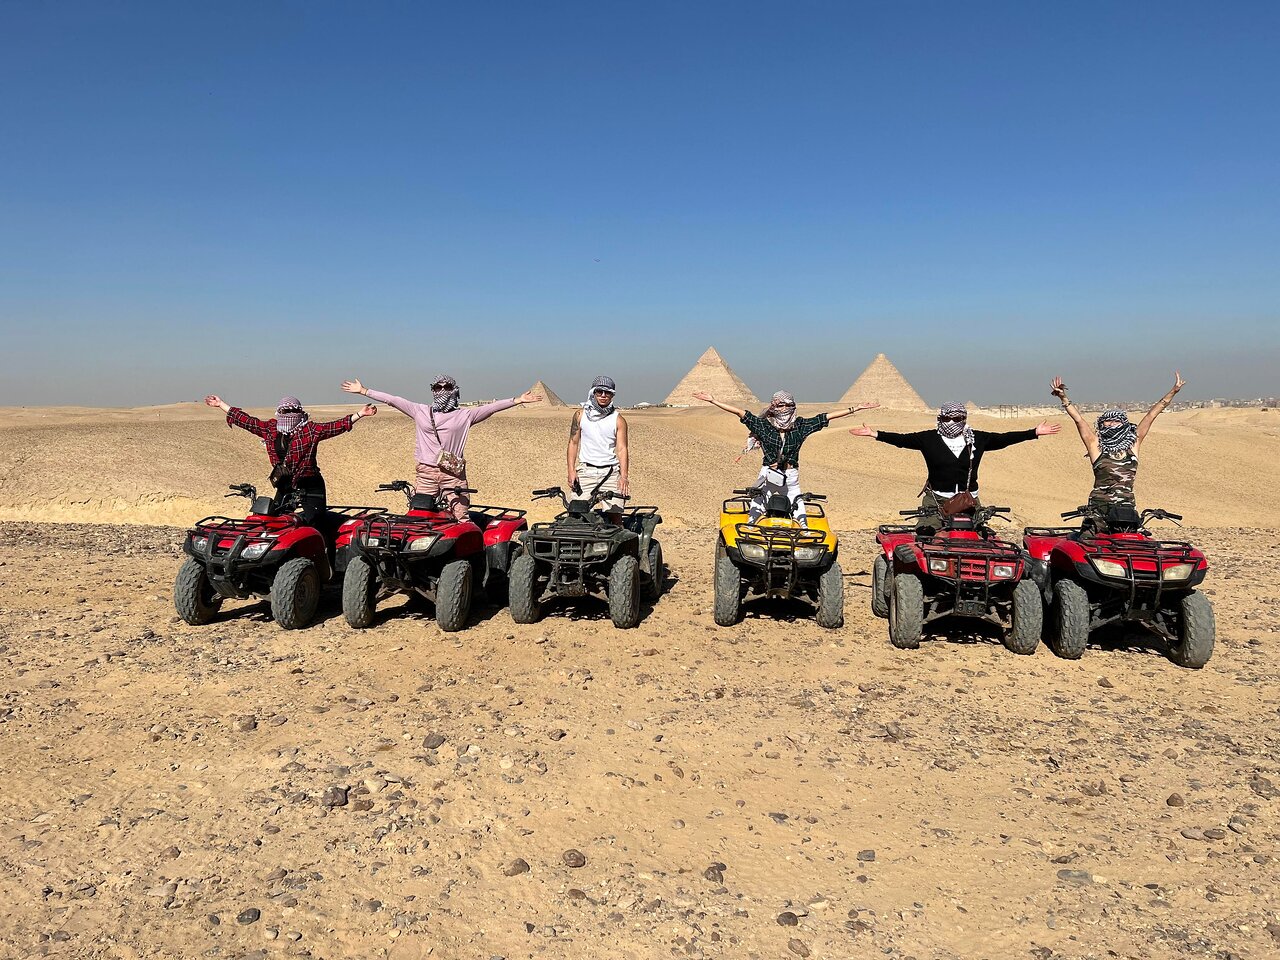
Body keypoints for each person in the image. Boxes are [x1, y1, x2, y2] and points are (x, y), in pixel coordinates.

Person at [341, 375, 542, 520]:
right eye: (437, 387)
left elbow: (491, 408)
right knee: (420, 516)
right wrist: (364, 391)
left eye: (447, 387)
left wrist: (517, 400)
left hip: (452, 474)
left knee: (461, 516)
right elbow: (392, 400)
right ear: (433, 390)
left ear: (455, 390)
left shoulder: (465, 415)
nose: (442, 390)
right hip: (426, 473)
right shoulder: (420, 411)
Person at [848, 403, 1060, 532]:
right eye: (946, 418)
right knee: (925, 536)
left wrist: (1033, 433)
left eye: (956, 418)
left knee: (980, 538)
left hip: (969, 501)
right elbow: (902, 440)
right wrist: (875, 434)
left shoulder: (977, 439)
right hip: (937, 500)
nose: (951, 422)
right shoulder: (928, 439)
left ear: (964, 419)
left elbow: (1004, 439)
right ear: (939, 418)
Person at [695, 390, 880, 525]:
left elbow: (826, 417)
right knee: (754, 513)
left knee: (802, 520)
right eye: (780, 405)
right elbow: (739, 412)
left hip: (791, 477)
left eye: (788, 405)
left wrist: (857, 408)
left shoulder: (801, 426)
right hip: (768, 476)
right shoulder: (763, 426)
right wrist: (713, 400)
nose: (784, 409)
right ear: (773, 407)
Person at [203, 393, 377, 521]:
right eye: (285, 411)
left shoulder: (310, 430)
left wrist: (360, 414)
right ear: (279, 412)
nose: (289, 414)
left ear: (300, 412)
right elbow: (247, 421)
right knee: (275, 520)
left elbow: (335, 427)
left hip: (310, 483)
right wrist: (221, 404)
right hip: (285, 484)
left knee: (316, 523)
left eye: (293, 411)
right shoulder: (270, 429)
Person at [1050, 371, 1185, 528]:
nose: (1111, 423)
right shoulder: (1096, 446)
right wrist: (1064, 398)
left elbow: (1151, 415)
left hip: (1126, 511)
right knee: (1088, 541)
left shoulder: (1133, 444)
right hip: (1097, 511)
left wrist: (1173, 391)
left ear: (1124, 424)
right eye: (1107, 421)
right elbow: (1079, 420)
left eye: (1116, 420)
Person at [567, 376, 629, 521]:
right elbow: (573, 443)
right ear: (593, 392)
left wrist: (624, 477)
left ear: (612, 395)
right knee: (576, 515)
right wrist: (571, 470)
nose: (603, 395)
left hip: (610, 473)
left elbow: (622, 449)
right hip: (586, 471)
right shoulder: (580, 415)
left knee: (615, 516)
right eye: (599, 391)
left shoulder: (618, 420)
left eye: (607, 392)